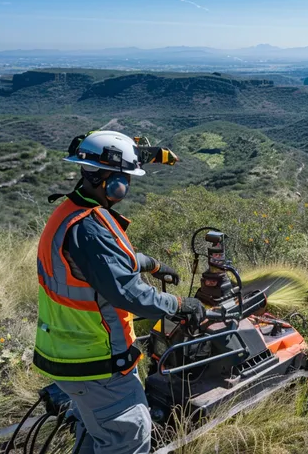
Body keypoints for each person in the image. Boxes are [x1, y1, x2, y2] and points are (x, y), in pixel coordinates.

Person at [32, 130, 204, 454]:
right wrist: (180, 303)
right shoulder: (89, 227)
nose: (125, 186)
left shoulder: (72, 211)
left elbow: (102, 265)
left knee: (96, 434)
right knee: (129, 436)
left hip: (66, 352)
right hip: (96, 361)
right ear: (107, 181)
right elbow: (129, 294)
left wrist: (150, 264)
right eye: (123, 178)